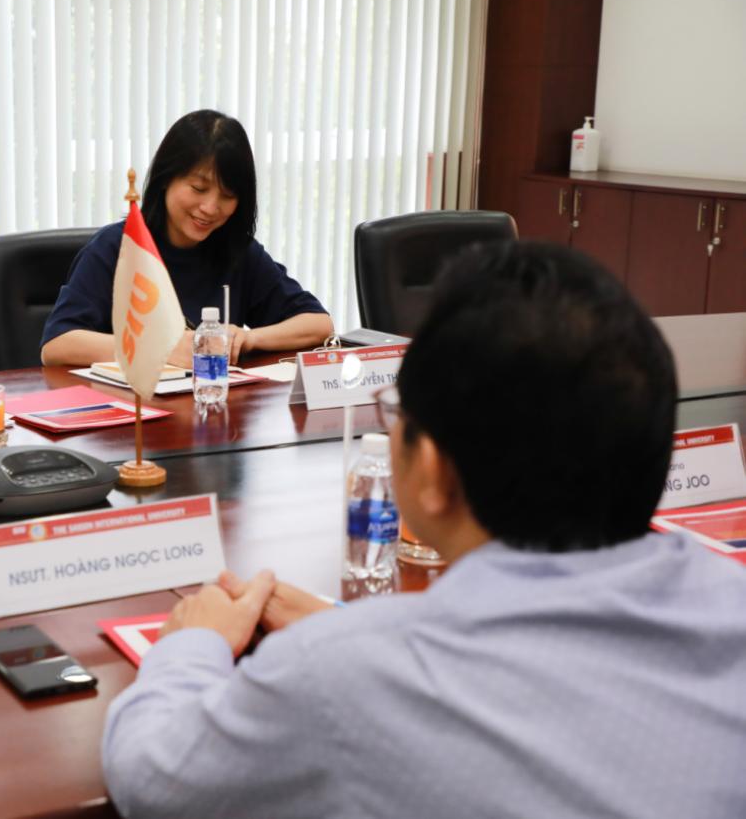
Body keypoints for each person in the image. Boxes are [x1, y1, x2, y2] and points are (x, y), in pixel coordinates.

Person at [102, 243, 746, 818]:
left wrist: (192, 646)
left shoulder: (347, 681)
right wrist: (340, 630)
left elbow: (152, 777)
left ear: (432, 470)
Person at [40, 110, 333, 367]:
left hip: (214, 414)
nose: (210, 208)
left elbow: (319, 324)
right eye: (198, 188)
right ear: (166, 179)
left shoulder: (238, 251)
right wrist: (158, 349)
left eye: (228, 196)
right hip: (131, 419)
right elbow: (56, 346)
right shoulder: (119, 247)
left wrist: (248, 337)